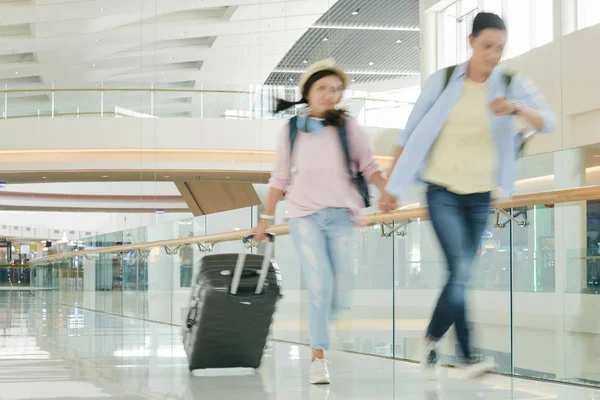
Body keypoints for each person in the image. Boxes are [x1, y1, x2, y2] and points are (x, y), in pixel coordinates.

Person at [380, 12, 556, 380]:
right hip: (441, 191)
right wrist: (391, 188)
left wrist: (516, 108)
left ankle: (433, 342)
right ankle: (465, 353)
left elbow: (549, 121)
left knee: (459, 274)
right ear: (471, 42)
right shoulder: (443, 81)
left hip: (480, 197)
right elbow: (408, 133)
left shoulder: (510, 83)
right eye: (487, 46)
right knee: (460, 271)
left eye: (500, 48)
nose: (493, 54)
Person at [254, 59, 392, 385]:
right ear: (308, 93)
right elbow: (279, 178)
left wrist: (387, 192)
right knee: (320, 285)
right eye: (323, 88)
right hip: (305, 217)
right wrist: (265, 219)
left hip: (343, 216)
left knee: (340, 290)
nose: (331, 95)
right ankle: (318, 356)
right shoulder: (291, 131)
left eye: (336, 89)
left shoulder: (348, 128)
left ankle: (320, 326)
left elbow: (369, 166)